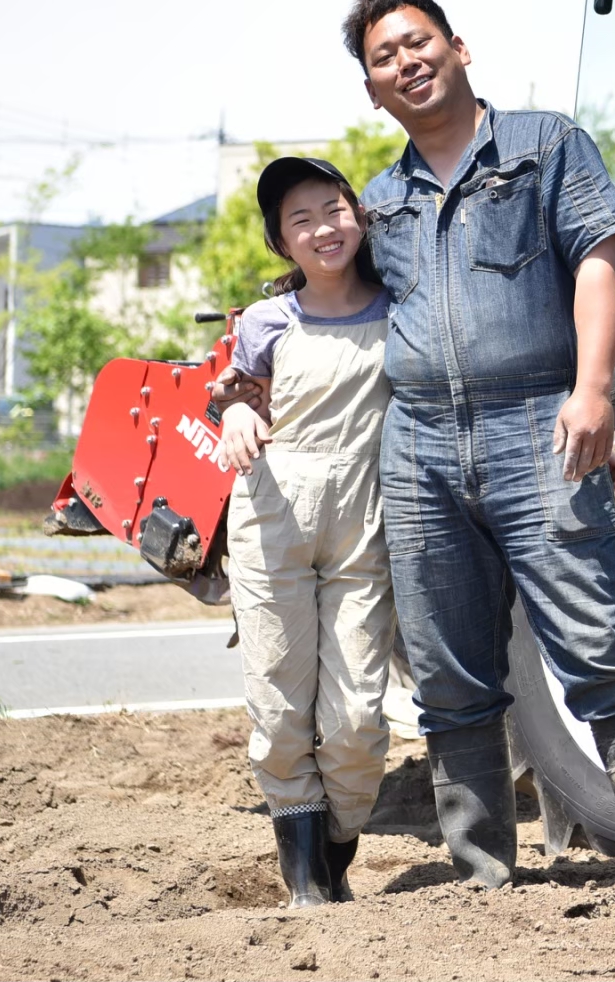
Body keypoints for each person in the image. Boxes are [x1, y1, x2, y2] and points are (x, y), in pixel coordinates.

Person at [224, 0, 615, 931]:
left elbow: (597, 259)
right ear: (373, 92)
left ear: (460, 49)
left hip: (538, 424)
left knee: (600, 647)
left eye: (418, 43)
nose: (405, 63)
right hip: (415, 444)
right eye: (384, 58)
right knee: (451, 672)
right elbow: (321, 306)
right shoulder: (378, 203)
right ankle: (481, 878)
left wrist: (593, 392)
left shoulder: (545, 146)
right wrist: (248, 384)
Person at [217, 156, 397, 909]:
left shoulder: (400, 305)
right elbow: (232, 393)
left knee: (357, 717)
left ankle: (337, 856)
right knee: (281, 704)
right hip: (272, 522)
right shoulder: (267, 322)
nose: (322, 229)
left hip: (365, 526)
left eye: (333, 209)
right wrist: (233, 412)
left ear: (358, 216)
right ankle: (303, 882)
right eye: (300, 220)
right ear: (281, 243)